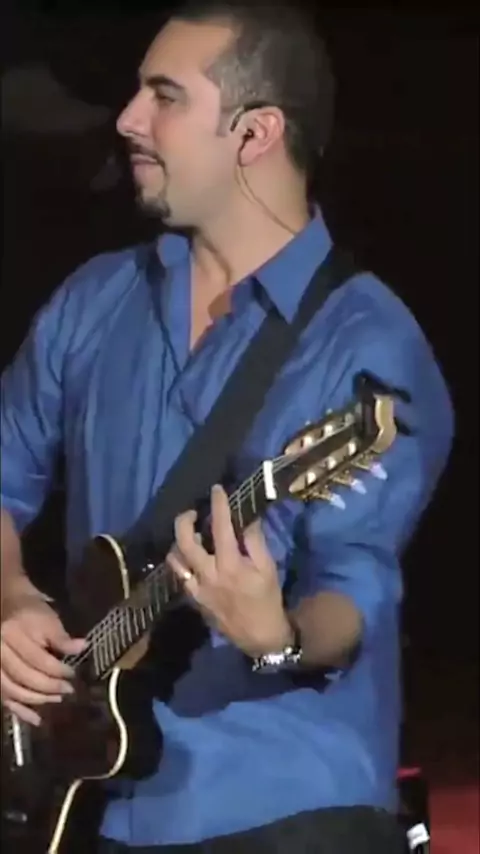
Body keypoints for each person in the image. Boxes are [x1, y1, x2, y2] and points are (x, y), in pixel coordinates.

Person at [0, 2, 454, 852]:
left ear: (255, 134)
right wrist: (13, 598)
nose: (127, 119)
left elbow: (355, 585)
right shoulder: (96, 297)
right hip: (84, 796)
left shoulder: (369, 344)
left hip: (281, 801)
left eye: (164, 96)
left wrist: (280, 637)